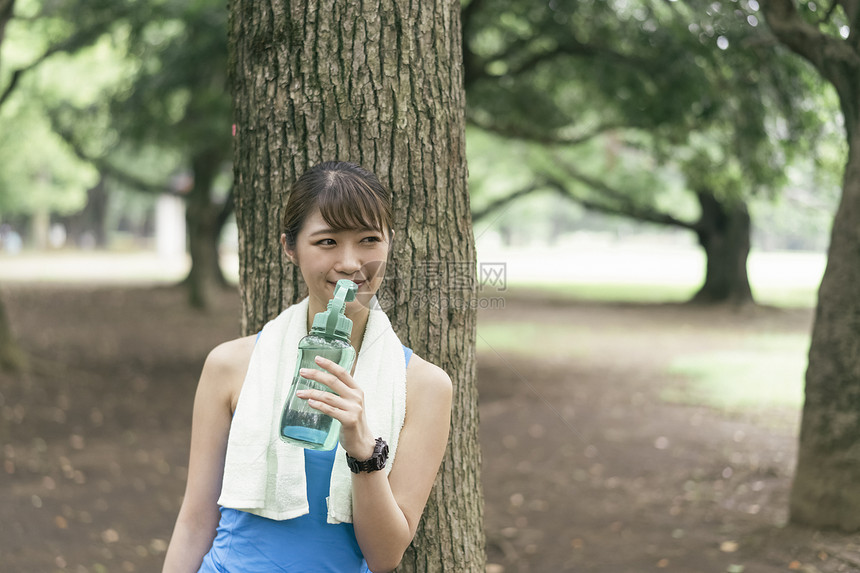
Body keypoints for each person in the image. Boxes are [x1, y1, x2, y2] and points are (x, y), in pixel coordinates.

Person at [162, 161, 453, 573]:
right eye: (327, 242)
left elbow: (386, 557)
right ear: (290, 247)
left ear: (390, 243)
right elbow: (194, 521)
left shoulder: (423, 386)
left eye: (369, 239)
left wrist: (363, 451)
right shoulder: (230, 366)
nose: (351, 263)